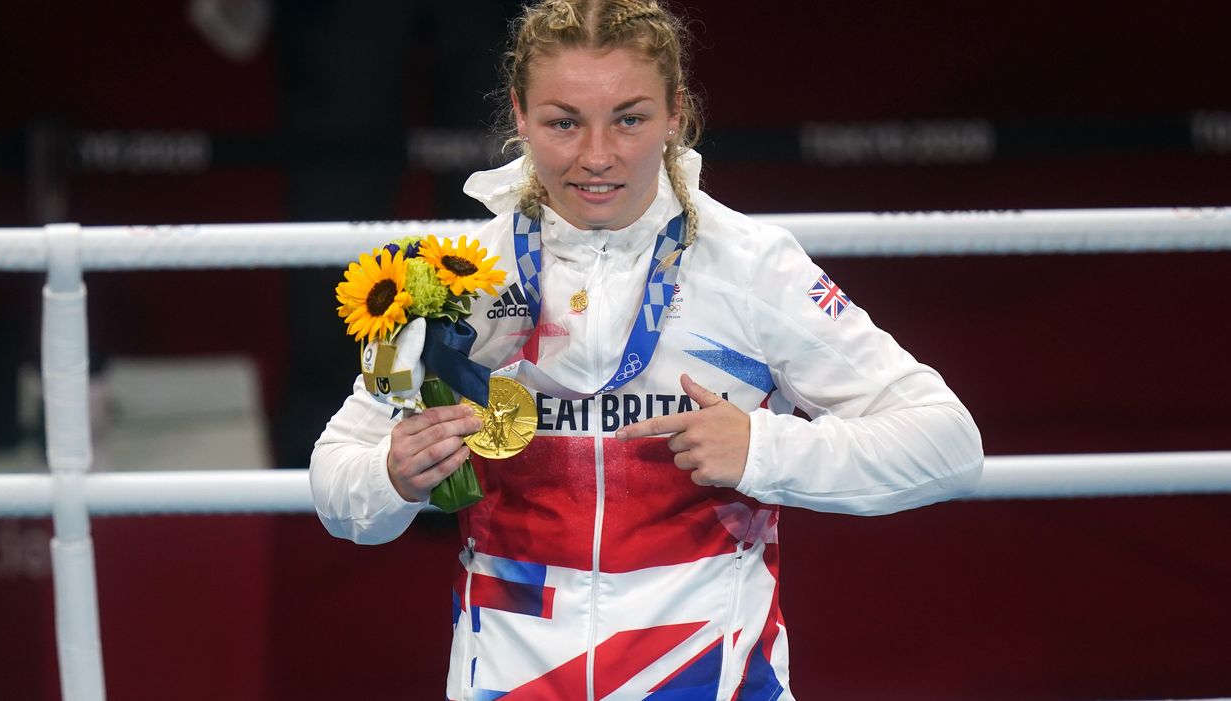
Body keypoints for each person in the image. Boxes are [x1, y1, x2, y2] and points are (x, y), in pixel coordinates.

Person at [310, 0, 984, 698]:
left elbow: (948, 445)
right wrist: (395, 475)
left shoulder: (751, 265)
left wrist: (764, 449)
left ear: (675, 114)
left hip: (708, 676)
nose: (596, 156)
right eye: (563, 121)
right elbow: (336, 481)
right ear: (519, 115)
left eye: (629, 119)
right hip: (509, 677)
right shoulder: (458, 278)